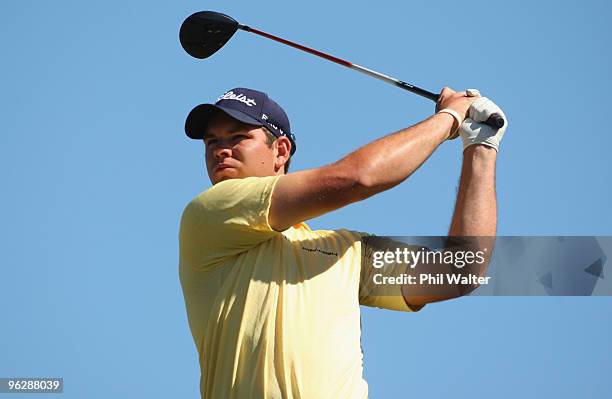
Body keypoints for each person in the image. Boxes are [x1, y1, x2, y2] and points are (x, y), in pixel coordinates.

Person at [179, 87, 507, 398]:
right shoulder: (208, 214)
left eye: (238, 137)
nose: (220, 150)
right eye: (211, 142)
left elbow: (461, 269)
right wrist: (449, 117)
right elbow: (356, 178)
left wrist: (481, 147)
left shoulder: (344, 251)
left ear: (280, 151)